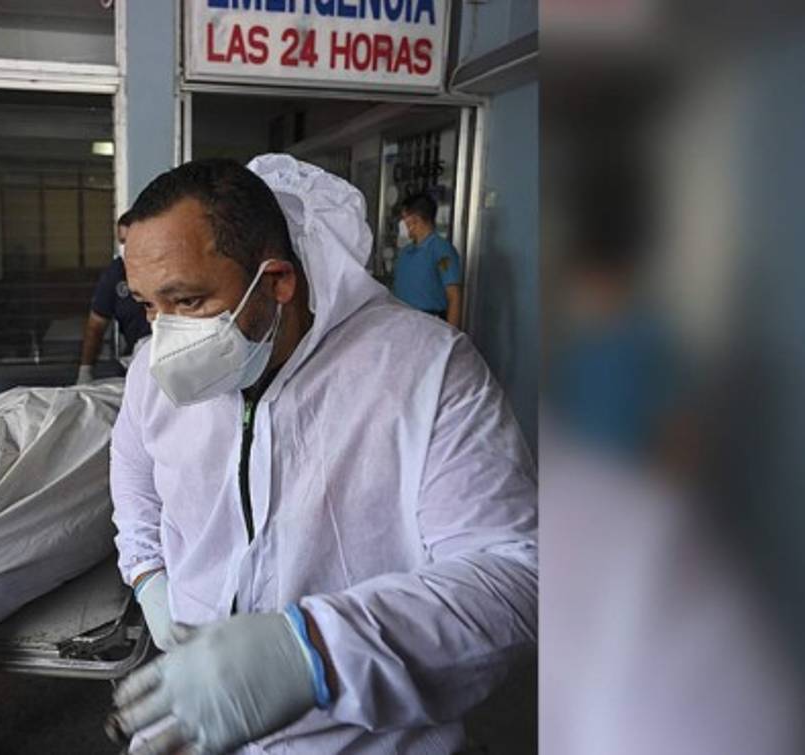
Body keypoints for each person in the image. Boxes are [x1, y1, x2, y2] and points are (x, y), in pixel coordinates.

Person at [108, 155, 537, 754]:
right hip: (200, 717)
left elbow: (513, 575)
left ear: (277, 281)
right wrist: (149, 575)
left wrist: (312, 652)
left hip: (366, 738)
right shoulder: (152, 378)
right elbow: (135, 482)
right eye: (148, 305)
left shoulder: (424, 370)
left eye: (188, 301)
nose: (165, 334)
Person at [76, 211, 152, 384]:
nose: (125, 247)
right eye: (122, 241)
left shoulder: (164, 268)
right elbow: (96, 326)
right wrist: (85, 370)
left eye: (130, 241)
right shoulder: (114, 275)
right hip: (139, 355)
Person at [393, 192, 464, 327]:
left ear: (415, 220)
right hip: (402, 322)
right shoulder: (405, 253)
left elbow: (454, 296)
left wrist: (451, 334)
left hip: (430, 324)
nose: (402, 224)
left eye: (404, 219)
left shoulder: (441, 250)